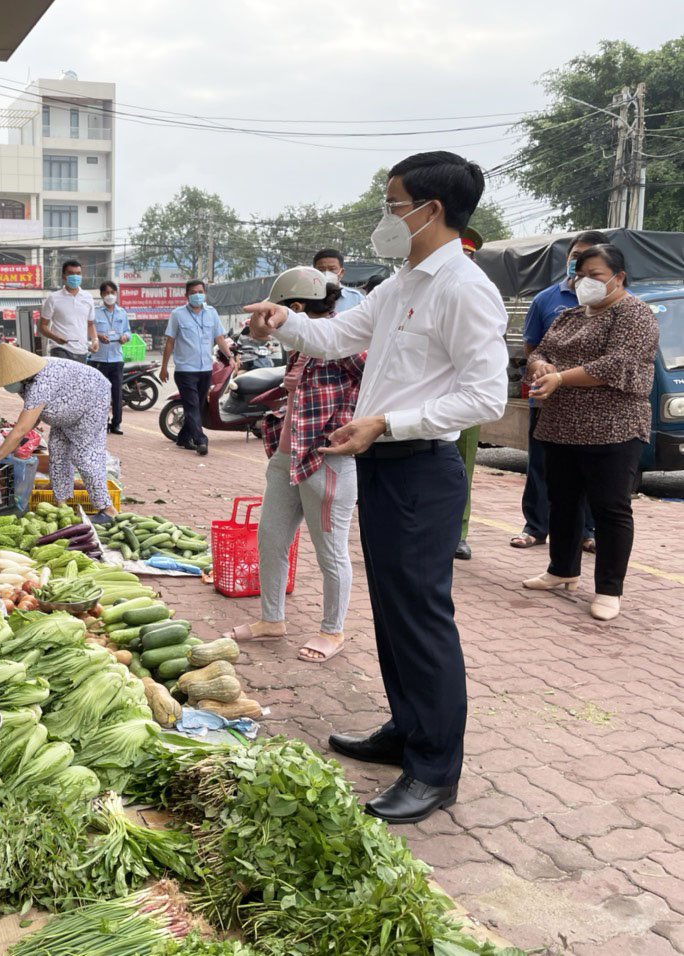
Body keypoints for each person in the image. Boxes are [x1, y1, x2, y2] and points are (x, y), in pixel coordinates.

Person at [246, 151, 508, 824]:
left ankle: (435, 769)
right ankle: (405, 729)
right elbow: (335, 337)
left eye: (394, 205)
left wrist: (389, 420)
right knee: (393, 613)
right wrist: (285, 323)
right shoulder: (402, 283)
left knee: (422, 621)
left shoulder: (463, 288)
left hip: (421, 465)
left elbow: (485, 396)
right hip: (386, 463)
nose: (386, 218)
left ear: (432, 211)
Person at [227, 268, 364, 663]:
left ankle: (332, 631)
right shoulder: (302, 345)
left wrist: (352, 425)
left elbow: (379, 381)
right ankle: (272, 621)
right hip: (287, 455)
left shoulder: (345, 342)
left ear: (297, 309)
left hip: (327, 459)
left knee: (330, 552)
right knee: (270, 538)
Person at [522, 244, 657, 622]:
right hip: (561, 425)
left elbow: (617, 364)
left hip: (613, 428)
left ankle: (609, 590)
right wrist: (541, 365)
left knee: (610, 508)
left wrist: (559, 376)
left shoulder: (635, 314)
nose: (585, 283)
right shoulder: (569, 315)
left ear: (619, 278)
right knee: (563, 502)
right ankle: (562, 569)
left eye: (595, 275)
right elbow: (538, 351)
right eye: (580, 275)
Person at [513, 231, 609, 552]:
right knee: (540, 465)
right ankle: (536, 527)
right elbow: (532, 347)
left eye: (588, 258)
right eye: (575, 257)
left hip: (592, 405)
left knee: (589, 469)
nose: (579, 264)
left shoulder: (612, 302)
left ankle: (587, 531)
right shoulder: (547, 300)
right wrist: (539, 367)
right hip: (547, 401)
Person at [0, 344, 117, 523]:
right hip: (68, 410)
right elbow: (33, 416)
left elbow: (21, 428)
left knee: (83, 456)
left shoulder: (42, 382)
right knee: (57, 452)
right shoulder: (26, 383)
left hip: (93, 398)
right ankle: (61, 505)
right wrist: (16, 442)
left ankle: (108, 510)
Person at [158, 279, 236, 456]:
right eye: (193, 292)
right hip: (185, 370)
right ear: (186, 295)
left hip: (205, 369)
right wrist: (164, 367)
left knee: (198, 406)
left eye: (200, 291)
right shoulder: (177, 315)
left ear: (205, 293)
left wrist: (230, 357)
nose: (197, 295)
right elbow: (170, 342)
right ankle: (201, 440)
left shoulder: (212, 313)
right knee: (192, 406)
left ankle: (184, 437)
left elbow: (219, 338)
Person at [452, 226, 486, 561]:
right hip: (424, 395)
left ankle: (458, 532)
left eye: (470, 256)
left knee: (462, 466)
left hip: (465, 395)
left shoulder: (482, 294)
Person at [91, 280, 132, 435]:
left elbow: (129, 331)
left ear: (116, 294)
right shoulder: (95, 312)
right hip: (98, 359)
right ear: (101, 295)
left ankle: (116, 424)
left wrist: (125, 337)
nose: (110, 296)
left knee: (117, 393)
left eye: (112, 293)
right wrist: (98, 336)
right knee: (100, 393)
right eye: (106, 293)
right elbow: (88, 331)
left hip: (116, 359)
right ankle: (101, 423)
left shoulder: (122, 313)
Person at [39, 259, 97, 362]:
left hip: (82, 351)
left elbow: (90, 324)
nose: (75, 277)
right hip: (60, 350)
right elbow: (42, 326)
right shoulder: (53, 298)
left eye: (78, 273)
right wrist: (56, 338)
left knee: (79, 379)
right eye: (71, 273)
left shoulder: (88, 297)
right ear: (63, 276)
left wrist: (95, 340)